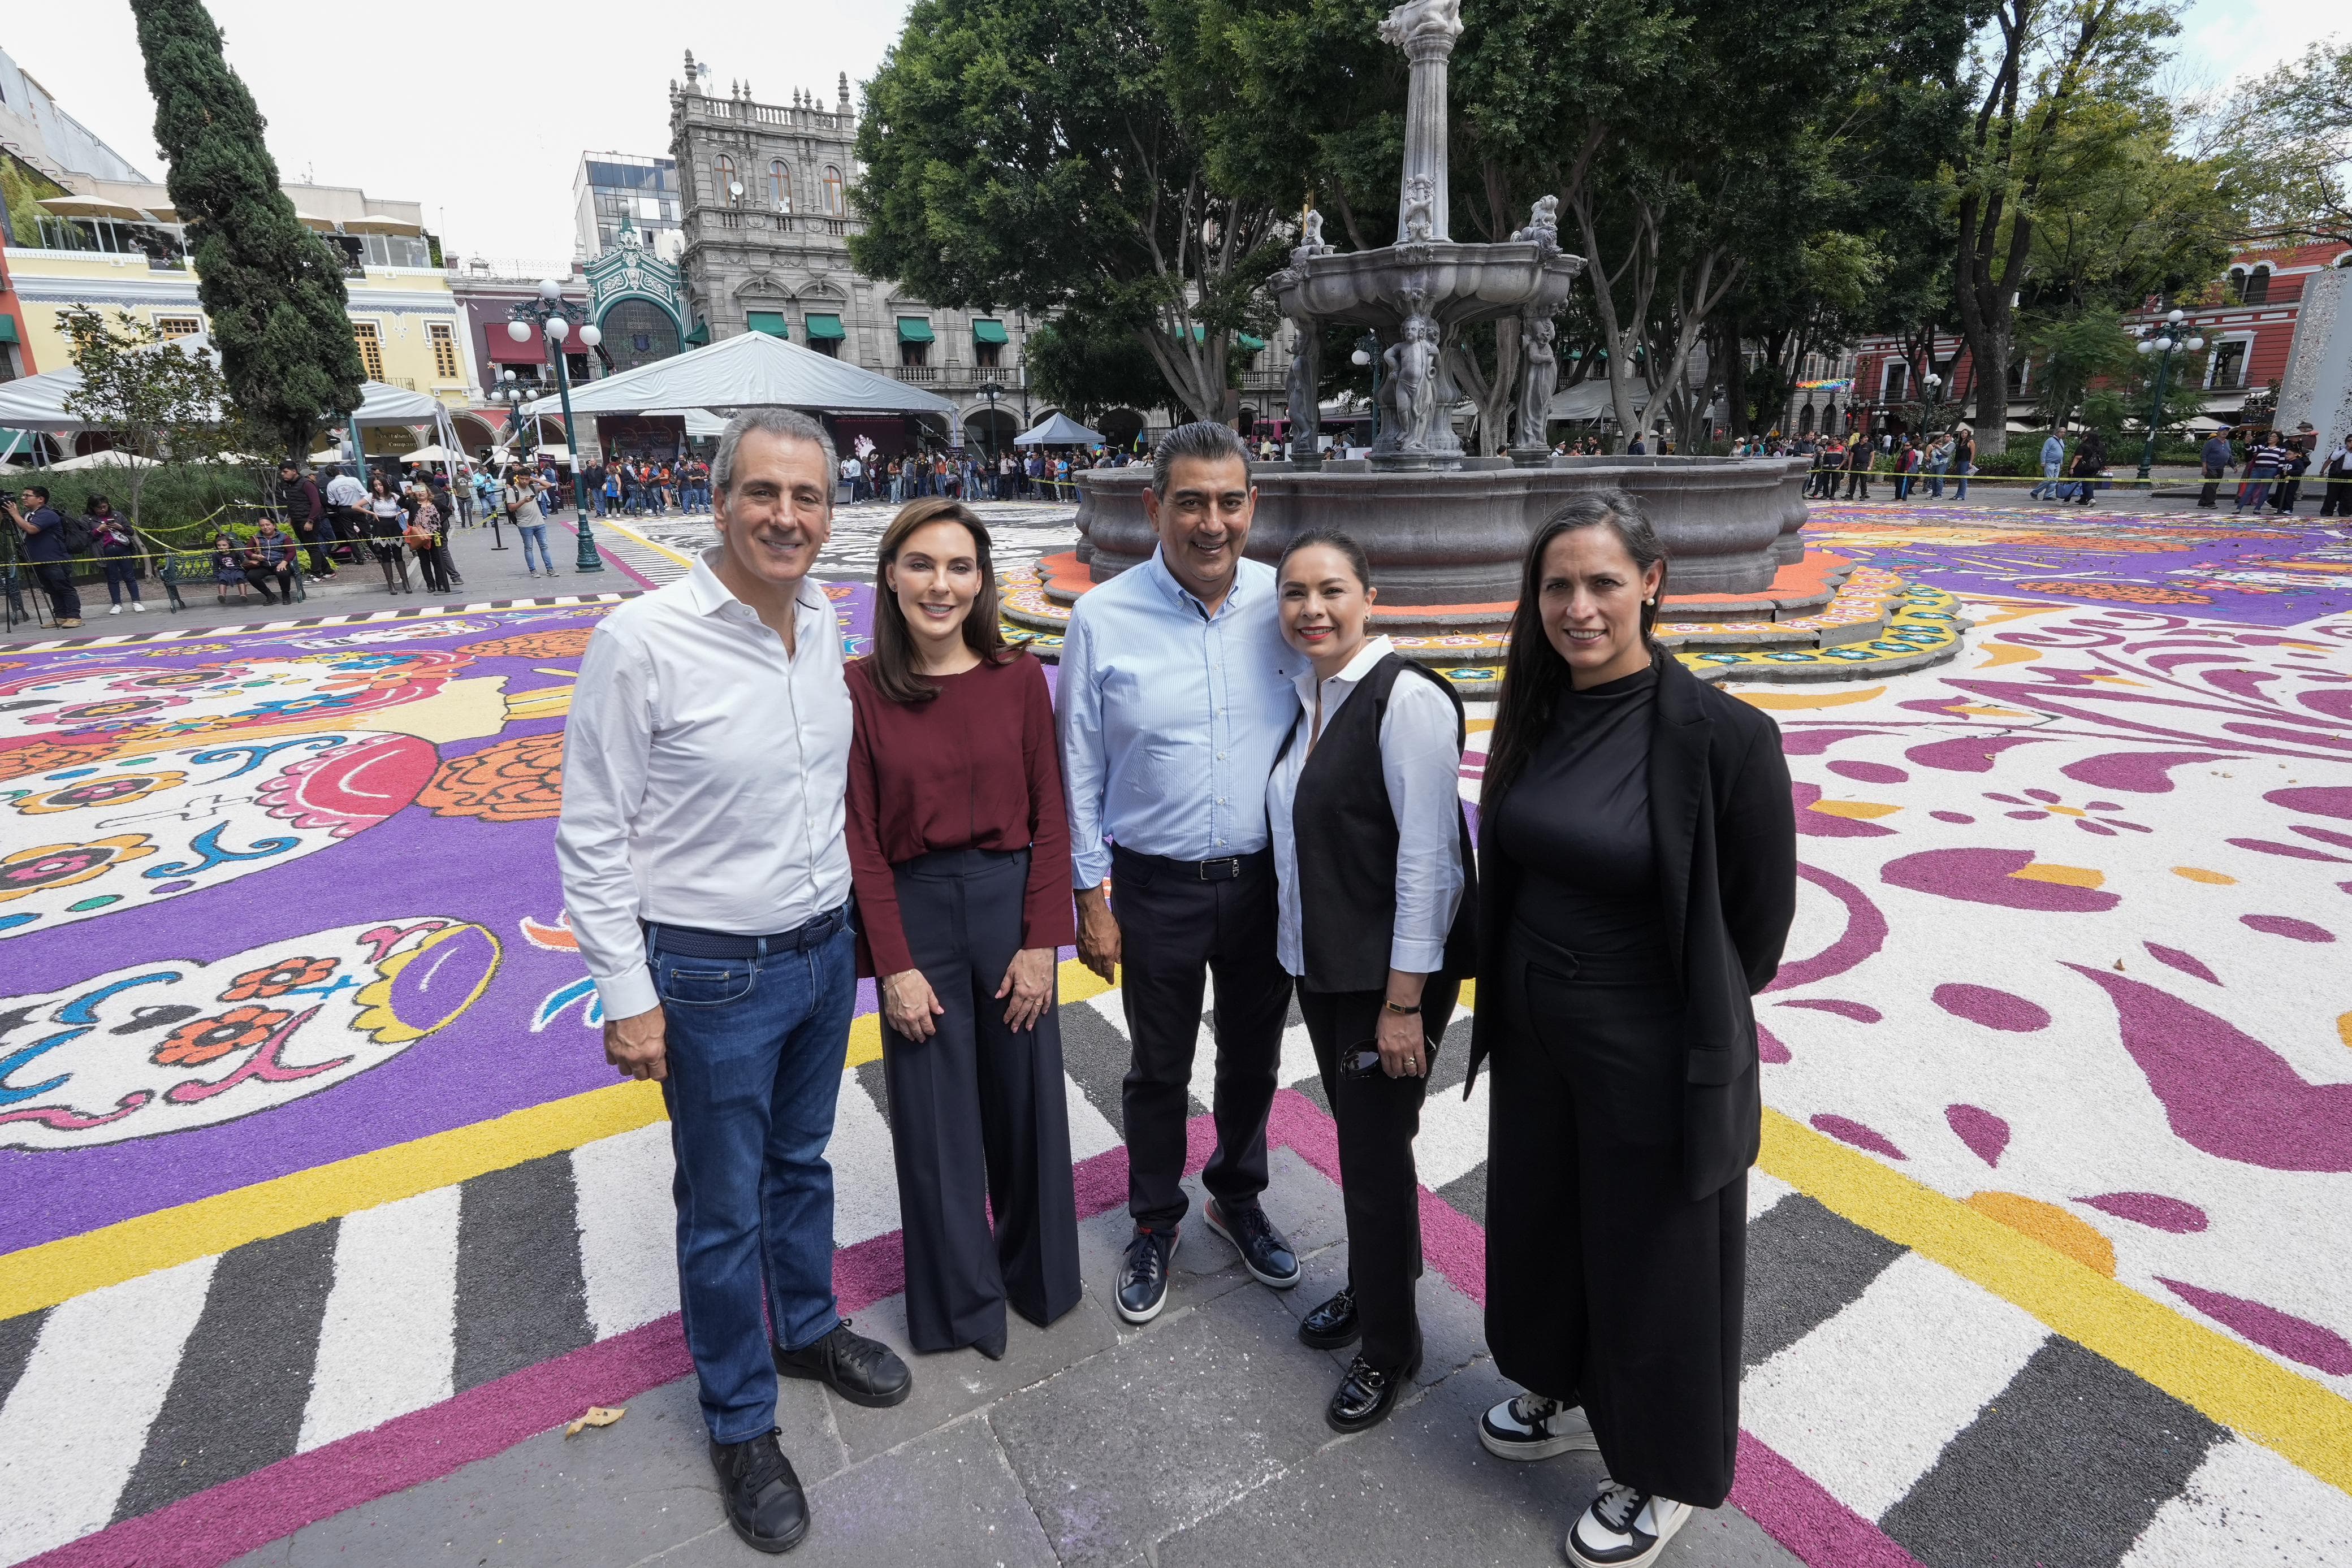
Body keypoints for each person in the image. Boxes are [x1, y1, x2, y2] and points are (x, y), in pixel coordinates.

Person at [557, 408, 912, 1556]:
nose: (786, 516)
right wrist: (626, 989)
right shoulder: (644, 640)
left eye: (807, 497)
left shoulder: (826, 622)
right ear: (718, 502)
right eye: (762, 493)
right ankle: (740, 1417)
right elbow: (592, 830)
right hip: (708, 973)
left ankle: (806, 1327)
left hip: (818, 955)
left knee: (801, 1166)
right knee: (720, 1207)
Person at [1470, 491, 1796, 1568]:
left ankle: (1659, 1468)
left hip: (1648, 1041)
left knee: (1654, 1257)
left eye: (1603, 581)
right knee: (1549, 1221)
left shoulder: (1727, 737)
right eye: (1557, 584)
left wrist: (1663, 1015)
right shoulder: (1538, 705)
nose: (1578, 606)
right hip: (1534, 1027)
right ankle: (1561, 1385)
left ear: (1652, 582)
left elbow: (1753, 925)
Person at [1057, 421, 1304, 1325]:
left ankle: (1236, 1194)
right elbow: (1078, 762)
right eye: (1191, 502)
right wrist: (1091, 897)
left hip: (1262, 882)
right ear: (1155, 506)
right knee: (1158, 1067)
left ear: (1253, 506)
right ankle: (1153, 1219)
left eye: (1230, 502)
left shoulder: (1288, 603)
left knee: (1254, 1058)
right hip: (1153, 885)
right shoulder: (1102, 616)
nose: (1212, 523)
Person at [845, 498, 1083, 1362]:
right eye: (921, 564)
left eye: (958, 567)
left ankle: (1042, 1280)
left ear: (981, 579)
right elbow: (861, 841)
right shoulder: (861, 689)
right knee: (936, 1122)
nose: (939, 584)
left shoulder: (1018, 678)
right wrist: (893, 966)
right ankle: (959, 1308)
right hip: (914, 912)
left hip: (1008, 901)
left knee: (1027, 1106)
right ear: (890, 576)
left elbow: (1050, 816)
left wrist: (1040, 943)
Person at [1265, 527, 1474, 1433]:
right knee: (1366, 1148)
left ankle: (1391, 1346)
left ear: (1370, 596)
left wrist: (1402, 1005)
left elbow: (1433, 863)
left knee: (1371, 1156)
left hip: (1386, 981)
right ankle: (1373, 1286)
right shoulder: (1314, 696)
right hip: (1328, 966)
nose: (1312, 608)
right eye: (1295, 593)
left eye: (1332, 590)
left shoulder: (1405, 699)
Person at [7, 487, 81, 626]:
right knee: (51, 589)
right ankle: (61, 616)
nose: (23, 498)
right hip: (38, 560)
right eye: (23, 495)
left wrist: (15, 515)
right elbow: (10, 528)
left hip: (55, 559)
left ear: (40, 499)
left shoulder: (48, 514)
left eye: (27, 495)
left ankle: (74, 616)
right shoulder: (28, 514)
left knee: (64, 587)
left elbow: (32, 529)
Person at [278, 461, 336, 578]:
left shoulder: (306, 484)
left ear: (294, 471)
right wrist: (291, 517)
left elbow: (316, 504)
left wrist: (310, 521)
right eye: (282, 472)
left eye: (285, 472)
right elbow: (291, 502)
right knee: (309, 546)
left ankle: (316, 574)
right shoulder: (287, 484)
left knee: (312, 547)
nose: (283, 474)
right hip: (296, 519)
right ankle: (328, 571)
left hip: (308, 520)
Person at [88, 497, 144, 615]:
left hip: (123, 548)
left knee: (129, 576)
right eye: (99, 508)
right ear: (92, 508)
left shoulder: (117, 515)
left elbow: (131, 531)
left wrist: (120, 528)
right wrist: (99, 530)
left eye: (105, 506)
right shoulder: (87, 519)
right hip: (104, 551)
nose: (103, 510)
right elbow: (85, 537)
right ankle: (117, 604)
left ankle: (136, 602)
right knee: (112, 579)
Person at [251, 517, 299, 603]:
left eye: (268, 525)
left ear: (274, 525)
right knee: (252, 576)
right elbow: (247, 551)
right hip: (263, 565)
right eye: (262, 525)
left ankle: (286, 595)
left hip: (279, 563)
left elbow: (292, 552)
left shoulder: (284, 537)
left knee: (283, 573)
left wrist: (284, 562)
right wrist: (255, 556)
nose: (265, 527)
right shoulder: (256, 538)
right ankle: (270, 595)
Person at [517, 480, 557, 577]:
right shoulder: (513, 490)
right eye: (522, 478)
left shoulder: (532, 488)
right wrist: (523, 501)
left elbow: (548, 485)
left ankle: (550, 569)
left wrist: (534, 479)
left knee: (544, 546)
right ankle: (533, 570)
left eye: (527, 478)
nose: (525, 481)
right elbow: (511, 508)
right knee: (528, 548)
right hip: (525, 524)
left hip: (539, 523)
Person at [2068, 429, 2106, 506]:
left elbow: (2078, 457)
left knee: (2073, 483)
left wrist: (2072, 468)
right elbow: (2103, 456)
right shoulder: (2099, 446)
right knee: (2088, 483)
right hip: (2094, 467)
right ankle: (2089, 499)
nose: (2083, 438)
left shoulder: (2084, 446)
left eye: (2085, 436)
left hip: (2082, 467)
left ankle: (2066, 500)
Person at [2274, 435, 2311, 514]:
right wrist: (2279, 474)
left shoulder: (2298, 462)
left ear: (2295, 455)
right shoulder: (2285, 462)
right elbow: (2282, 469)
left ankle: (2289, 509)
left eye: (2289, 454)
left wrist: (2289, 473)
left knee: (2289, 495)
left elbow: (2300, 470)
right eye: (2286, 454)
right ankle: (2281, 508)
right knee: (2282, 495)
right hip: (2283, 481)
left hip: (2293, 482)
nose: (2287, 456)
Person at [2198, 430, 2235, 508]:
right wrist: (2204, 467)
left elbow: (2229, 454)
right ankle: (2210, 503)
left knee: (2211, 485)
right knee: (2212, 484)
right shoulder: (2211, 443)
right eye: (2223, 431)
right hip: (2211, 467)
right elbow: (2204, 455)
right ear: (2219, 432)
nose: (2225, 433)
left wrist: (2233, 466)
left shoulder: (2227, 442)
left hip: (2220, 468)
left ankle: (2202, 502)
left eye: (2227, 431)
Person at [2319, 432, 2352, 518]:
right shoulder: (2340, 448)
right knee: (2332, 493)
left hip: (2350, 474)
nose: (2351, 443)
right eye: (2349, 441)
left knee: (2347, 494)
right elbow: (2333, 458)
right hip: (2337, 473)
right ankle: (2327, 511)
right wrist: (2346, 449)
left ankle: (2344, 511)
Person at [2031, 431, 2066, 501]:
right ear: (2057, 432)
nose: (2063, 434)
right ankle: (2035, 492)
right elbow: (2044, 451)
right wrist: (2043, 462)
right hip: (2050, 462)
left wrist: (2061, 462)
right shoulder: (2050, 440)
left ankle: (2048, 496)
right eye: (2061, 432)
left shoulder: (2061, 441)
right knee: (2048, 479)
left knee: (2054, 481)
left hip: (2058, 463)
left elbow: (2061, 452)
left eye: (2064, 432)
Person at [1951, 426, 1975, 501]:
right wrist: (1956, 463)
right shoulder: (1960, 442)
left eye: (1965, 433)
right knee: (1960, 479)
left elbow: (1973, 453)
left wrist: (1971, 463)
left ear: (1968, 434)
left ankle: (1962, 495)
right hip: (1960, 461)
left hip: (1966, 461)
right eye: (1962, 433)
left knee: (1963, 479)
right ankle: (1958, 494)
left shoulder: (1970, 442)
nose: (1963, 434)